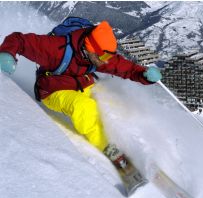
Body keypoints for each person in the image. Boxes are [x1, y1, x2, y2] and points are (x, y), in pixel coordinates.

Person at [0, 20, 162, 169]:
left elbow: (125, 68)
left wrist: (144, 74)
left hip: (84, 85)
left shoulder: (100, 56)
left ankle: (134, 142)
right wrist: (7, 54)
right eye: (104, 56)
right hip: (54, 90)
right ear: (90, 49)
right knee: (84, 108)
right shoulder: (56, 49)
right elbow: (19, 40)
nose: (106, 61)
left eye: (108, 56)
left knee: (115, 103)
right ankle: (109, 148)